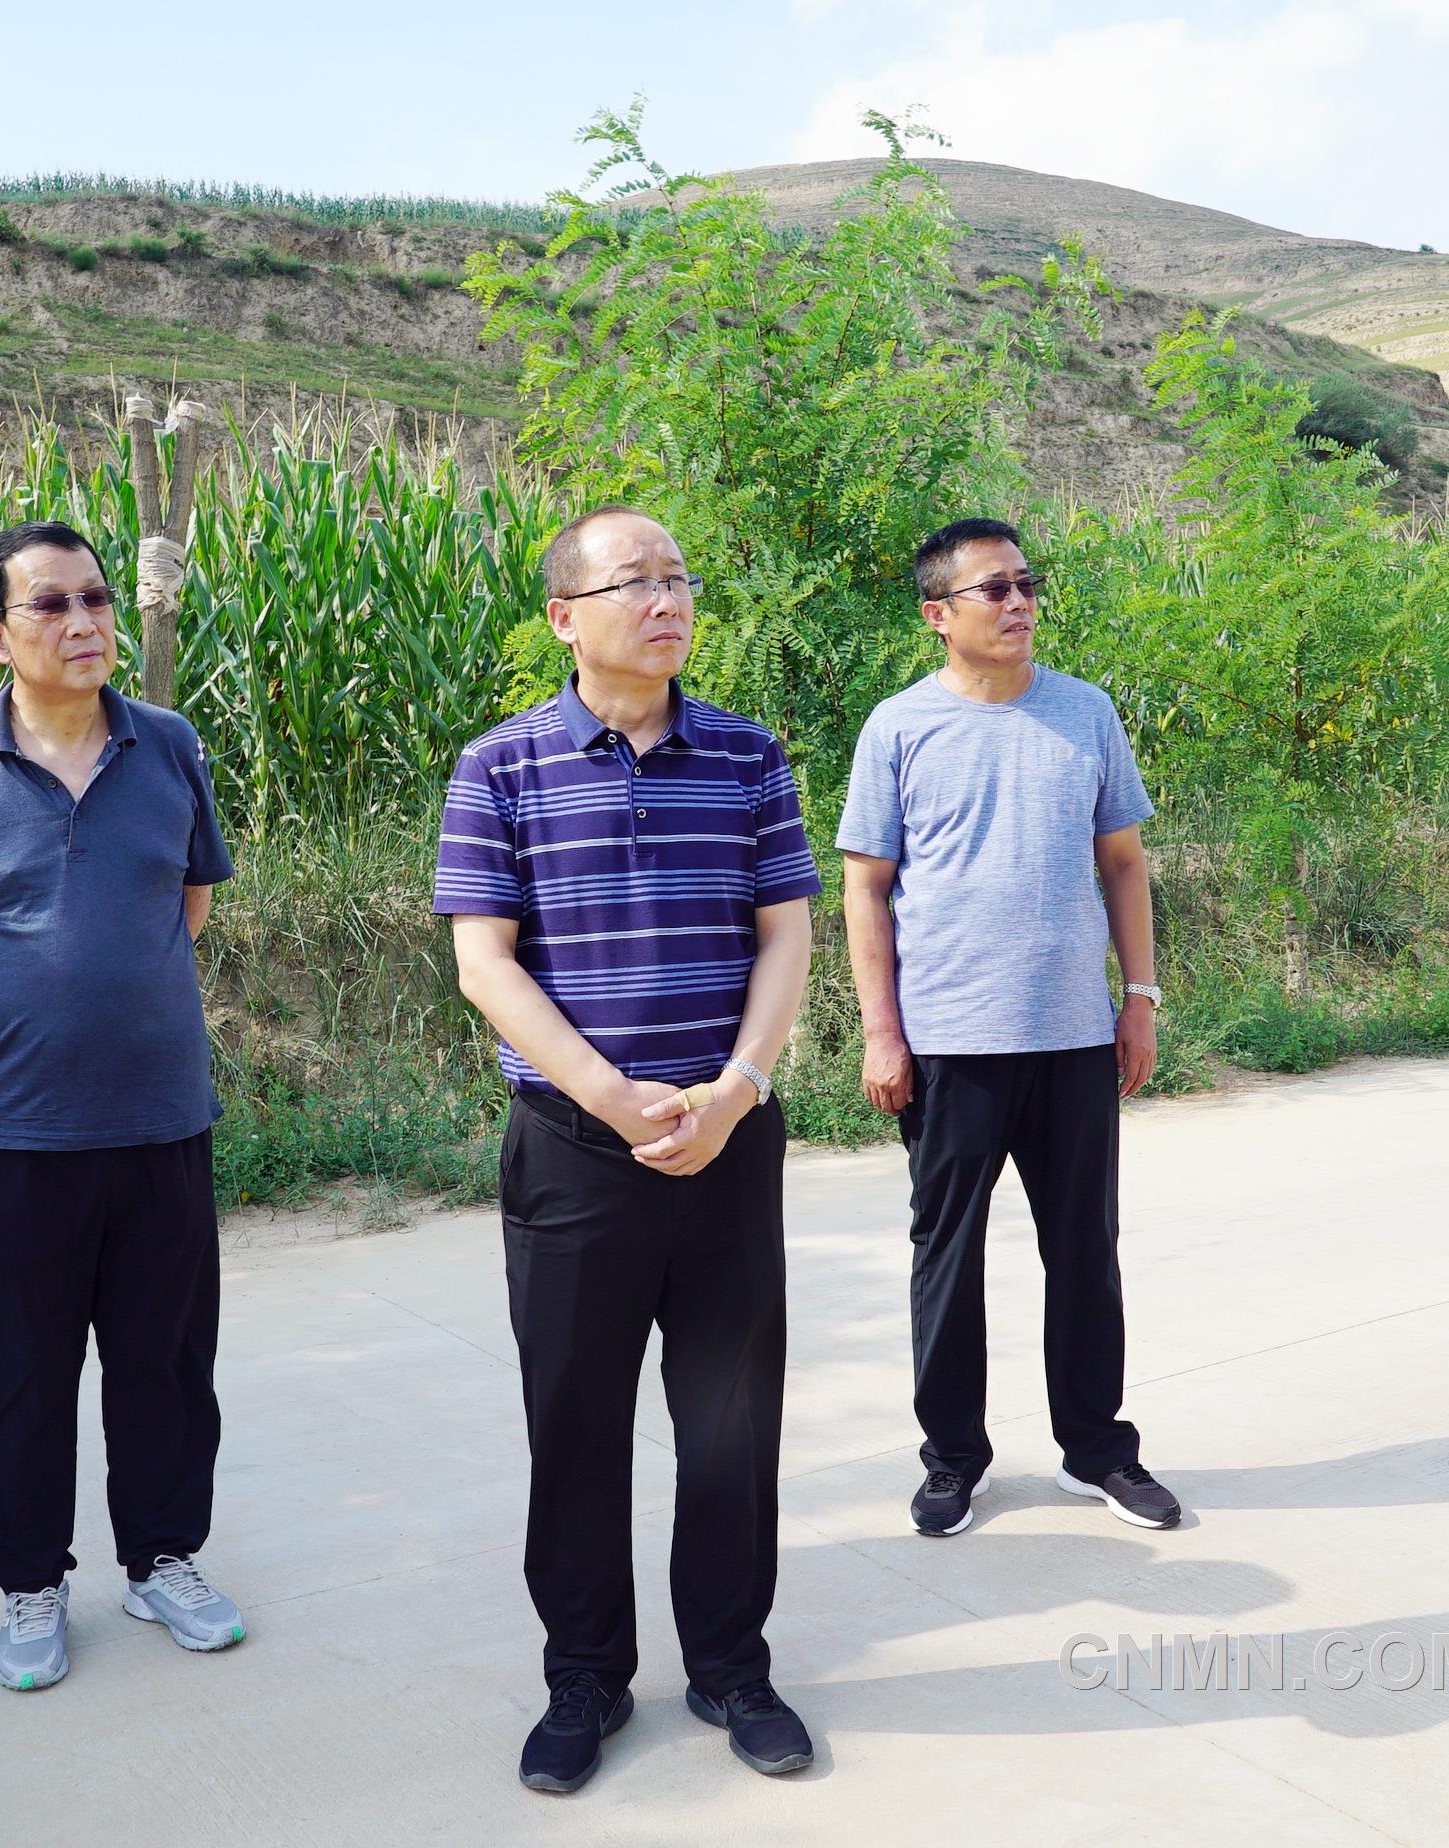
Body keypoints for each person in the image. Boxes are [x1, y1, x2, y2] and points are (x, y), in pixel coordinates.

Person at [436, 506, 820, 1794]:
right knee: (576, 1422)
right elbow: (481, 961)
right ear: (565, 615)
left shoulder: (750, 758)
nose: (664, 600)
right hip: (572, 1151)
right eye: (632, 582)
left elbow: (785, 936)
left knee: (727, 1419)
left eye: (677, 579)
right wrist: (609, 1096)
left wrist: (735, 1089)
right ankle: (583, 1677)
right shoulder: (500, 767)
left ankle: (729, 1667)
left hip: (727, 1141)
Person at [0, 520, 243, 1693]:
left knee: (166, 1363)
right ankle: (30, 1584)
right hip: (14, 1132)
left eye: (96, 599)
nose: (86, 622)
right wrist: (15, 998)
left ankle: (162, 1560)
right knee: (19, 1374)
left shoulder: (170, 745)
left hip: (160, 1120)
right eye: (53, 606)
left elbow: (187, 900)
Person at [837, 517, 1174, 1540]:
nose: (1019, 603)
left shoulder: (1085, 714)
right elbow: (863, 887)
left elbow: (1121, 863)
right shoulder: (897, 728)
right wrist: (879, 1032)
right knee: (947, 1254)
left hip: (1070, 1035)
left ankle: (1095, 1451)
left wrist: (1139, 997)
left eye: (1027, 584)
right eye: (994, 590)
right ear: (937, 615)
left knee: (1084, 1250)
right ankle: (952, 1461)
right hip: (947, 1044)